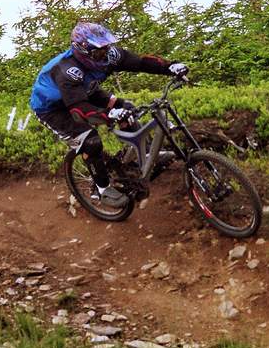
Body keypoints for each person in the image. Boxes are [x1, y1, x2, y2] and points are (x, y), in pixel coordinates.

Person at [30, 22, 188, 208]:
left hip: (84, 91)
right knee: (90, 140)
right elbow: (79, 110)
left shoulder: (109, 55)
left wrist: (170, 66)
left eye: (106, 48)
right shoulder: (67, 69)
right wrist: (110, 114)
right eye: (99, 51)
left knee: (126, 108)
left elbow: (140, 62)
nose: (105, 54)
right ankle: (101, 189)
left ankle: (142, 154)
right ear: (83, 51)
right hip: (52, 108)